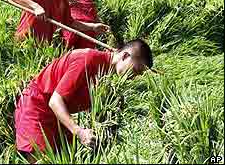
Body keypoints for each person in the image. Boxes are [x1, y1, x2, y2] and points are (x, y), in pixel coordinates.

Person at [14, 39, 153, 163]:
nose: (133, 77)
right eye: (135, 70)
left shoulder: (107, 75)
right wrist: (78, 131)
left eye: (138, 75)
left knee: (68, 155)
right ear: (125, 56)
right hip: (37, 105)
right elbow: (55, 101)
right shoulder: (87, 59)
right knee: (41, 158)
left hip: (58, 114)